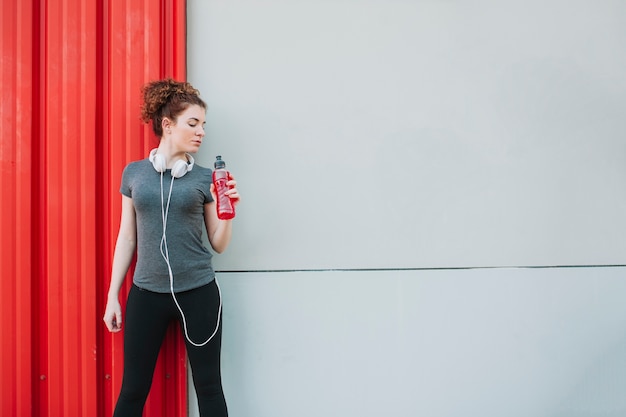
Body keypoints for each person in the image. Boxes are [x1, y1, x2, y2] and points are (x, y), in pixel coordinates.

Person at [103, 78, 239, 417]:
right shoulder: (134, 174)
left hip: (199, 293)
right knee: (133, 389)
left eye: (203, 125)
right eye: (193, 123)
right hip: (146, 293)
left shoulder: (205, 177)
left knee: (209, 387)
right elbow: (127, 238)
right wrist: (112, 296)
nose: (201, 132)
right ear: (167, 125)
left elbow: (219, 244)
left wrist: (230, 211)